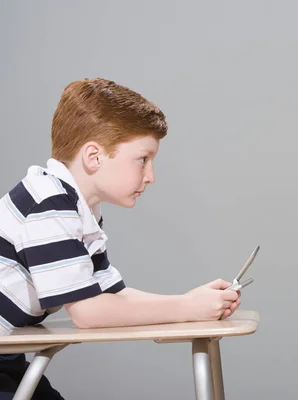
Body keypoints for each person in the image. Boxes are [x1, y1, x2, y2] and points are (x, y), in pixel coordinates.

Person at [0, 78, 241, 399]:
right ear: (94, 156)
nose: (151, 175)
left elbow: (112, 295)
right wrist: (187, 307)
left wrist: (192, 301)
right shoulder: (49, 203)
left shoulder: (79, 208)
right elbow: (89, 312)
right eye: (143, 159)